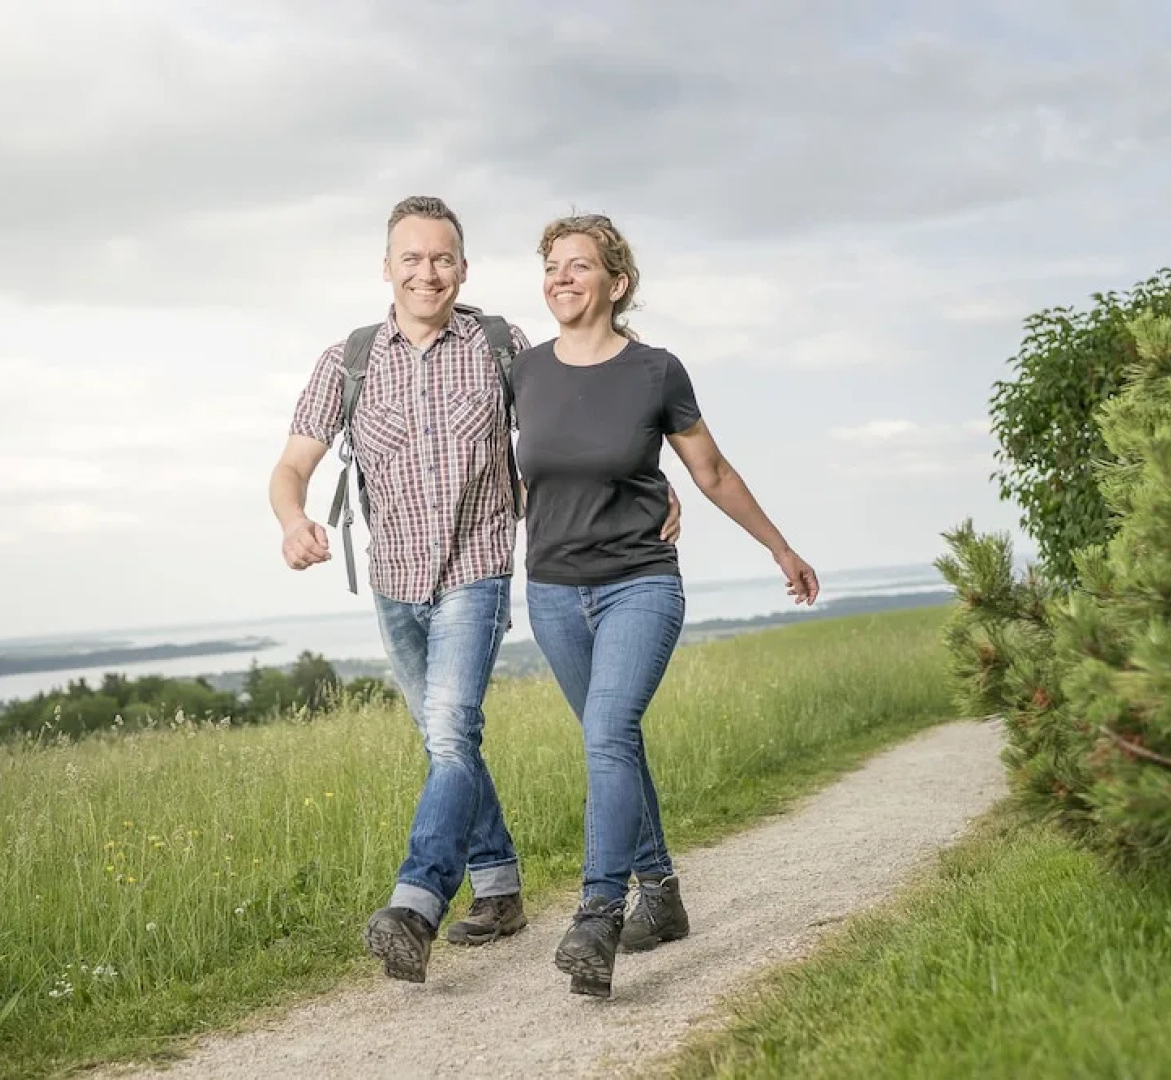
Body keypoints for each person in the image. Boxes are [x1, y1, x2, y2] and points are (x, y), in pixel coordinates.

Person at [268, 197, 682, 984]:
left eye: (444, 259)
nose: (429, 273)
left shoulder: (502, 348)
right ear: (387, 269)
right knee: (444, 741)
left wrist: (649, 486)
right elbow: (292, 468)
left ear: (464, 267)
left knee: (452, 730)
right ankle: (498, 888)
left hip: (477, 569)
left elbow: (583, 423)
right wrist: (293, 521)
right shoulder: (347, 360)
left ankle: (416, 902)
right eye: (413, 259)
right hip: (393, 581)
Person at [511, 213, 820, 998]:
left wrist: (779, 548)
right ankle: (664, 895)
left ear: (617, 283)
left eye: (579, 265)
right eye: (552, 265)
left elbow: (710, 469)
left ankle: (597, 914)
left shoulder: (656, 371)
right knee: (612, 741)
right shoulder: (524, 371)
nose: (562, 278)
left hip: (639, 582)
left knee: (609, 734)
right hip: (550, 591)